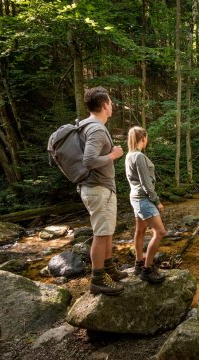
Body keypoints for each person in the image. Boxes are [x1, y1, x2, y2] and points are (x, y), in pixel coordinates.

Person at [79, 86, 127, 295]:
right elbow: (88, 160)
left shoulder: (85, 125)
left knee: (107, 230)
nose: (113, 105)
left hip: (98, 187)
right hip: (97, 188)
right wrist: (113, 155)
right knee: (101, 233)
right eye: (110, 101)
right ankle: (98, 279)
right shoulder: (97, 128)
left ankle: (108, 268)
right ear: (105, 104)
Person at [125, 126, 166, 284]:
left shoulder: (129, 155)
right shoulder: (139, 156)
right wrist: (157, 201)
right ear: (144, 138)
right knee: (160, 232)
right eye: (146, 137)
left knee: (140, 230)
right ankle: (147, 269)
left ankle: (138, 263)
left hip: (135, 197)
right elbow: (146, 183)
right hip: (143, 198)